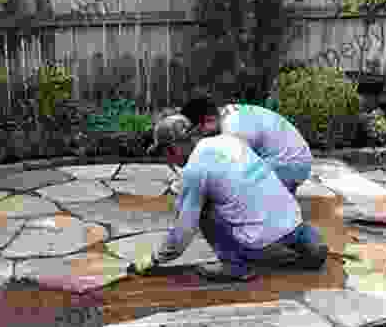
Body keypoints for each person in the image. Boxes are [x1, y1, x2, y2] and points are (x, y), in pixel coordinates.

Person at [129, 114, 328, 281]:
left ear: (172, 149)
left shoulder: (195, 170)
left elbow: (183, 229)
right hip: (292, 219)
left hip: (258, 238)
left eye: (166, 155)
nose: (169, 161)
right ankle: (312, 247)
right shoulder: (229, 140)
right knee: (260, 196)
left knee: (202, 208)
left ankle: (235, 267)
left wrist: (155, 258)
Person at [179, 95, 312, 195]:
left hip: (289, 163)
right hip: (291, 157)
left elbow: (232, 171)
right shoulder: (227, 113)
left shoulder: (233, 129)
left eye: (198, 132)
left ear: (208, 120)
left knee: (232, 191)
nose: (200, 137)